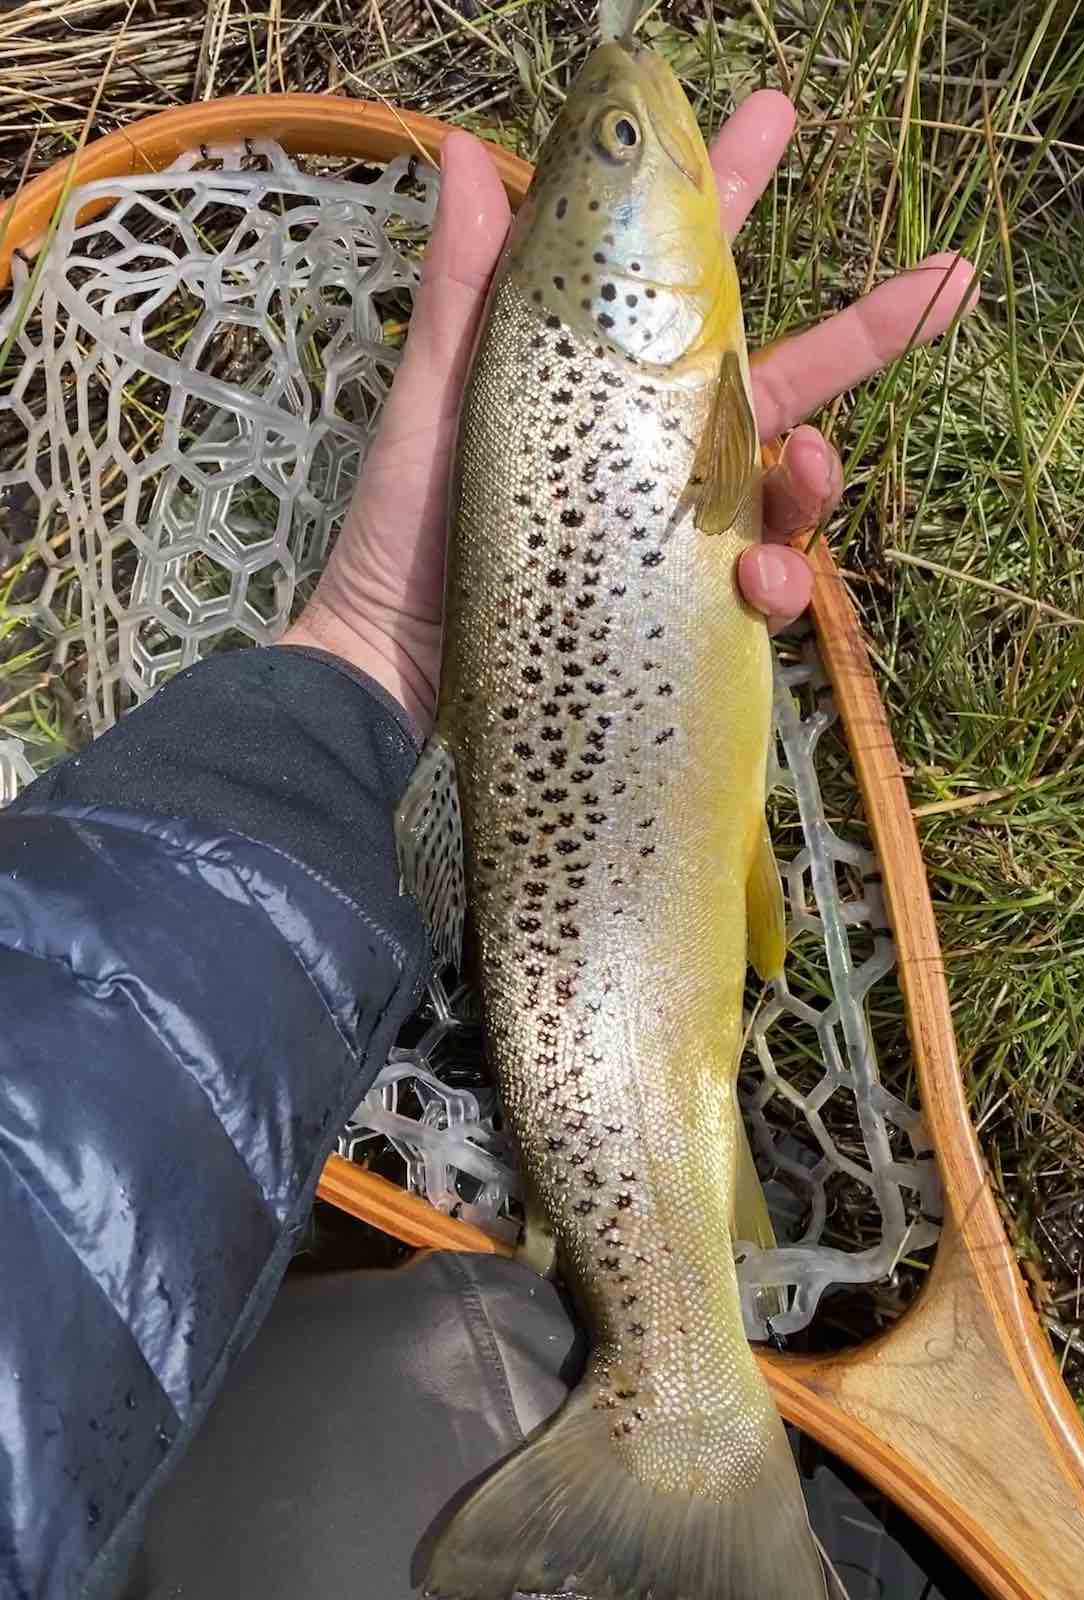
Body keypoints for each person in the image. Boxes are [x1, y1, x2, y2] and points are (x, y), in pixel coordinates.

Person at [0, 95, 978, 1600]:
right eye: (621, 148)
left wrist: (364, 655)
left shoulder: (651, 367)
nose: (633, 107)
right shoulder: (643, 367)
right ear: (601, 267)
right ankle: (684, 1418)